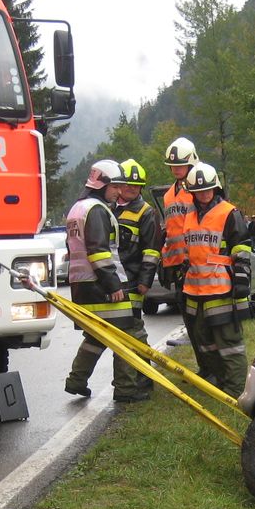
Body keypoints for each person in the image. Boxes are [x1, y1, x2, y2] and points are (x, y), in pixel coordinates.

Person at [62, 159, 142, 403]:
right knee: (127, 333)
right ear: (101, 184)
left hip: (82, 286)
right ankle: (126, 390)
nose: (119, 192)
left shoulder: (77, 209)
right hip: (102, 285)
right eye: (115, 186)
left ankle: (76, 380)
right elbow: (98, 252)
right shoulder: (96, 210)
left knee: (97, 334)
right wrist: (114, 285)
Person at [181, 162, 252, 394]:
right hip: (195, 290)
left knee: (229, 343)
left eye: (207, 190)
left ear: (216, 188)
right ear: (191, 192)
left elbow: (241, 247)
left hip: (221, 289)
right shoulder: (190, 215)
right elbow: (189, 248)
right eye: (198, 191)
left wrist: (242, 277)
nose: (203, 194)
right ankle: (221, 382)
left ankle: (236, 391)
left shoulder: (229, 213)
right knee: (203, 341)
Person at [112, 158, 161, 400]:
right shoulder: (109, 208)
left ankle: (141, 381)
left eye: (136, 186)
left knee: (133, 331)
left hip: (132, 281)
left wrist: (145, 281)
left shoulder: (146, 212)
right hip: (113, 281)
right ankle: (134, 381)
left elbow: (151, 250)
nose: (131, 189)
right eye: (127, 185)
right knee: (122, 332)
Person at [160, 136, 199, 347]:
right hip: (175, 258)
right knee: (181, 300)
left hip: (194, 256)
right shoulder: (168, 195)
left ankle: (194, 335)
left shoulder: (197, 190)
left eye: (180, 164)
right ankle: (189, 332)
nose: (176, 169)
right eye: (173, 165)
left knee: (193, 301)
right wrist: (165, 259)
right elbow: (170, 228)